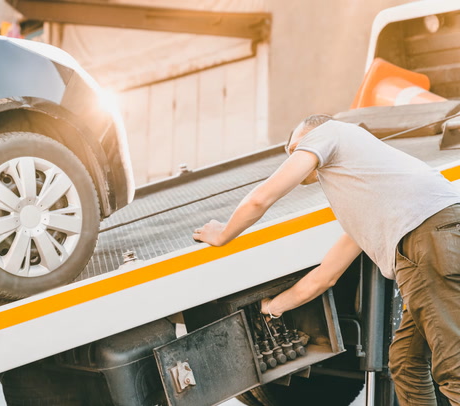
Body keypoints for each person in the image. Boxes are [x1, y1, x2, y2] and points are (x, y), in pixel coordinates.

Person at [193, 114, 460, 405]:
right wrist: (272, 308)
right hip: (434, 246)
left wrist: (224, 233)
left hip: (430, 243)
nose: (291, 156)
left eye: (295, 148)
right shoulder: (374, 201)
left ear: (313, 135)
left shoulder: (331, 132)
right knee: (405, 363)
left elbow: (262, 198)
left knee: (452, 365)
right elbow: (325, 276)